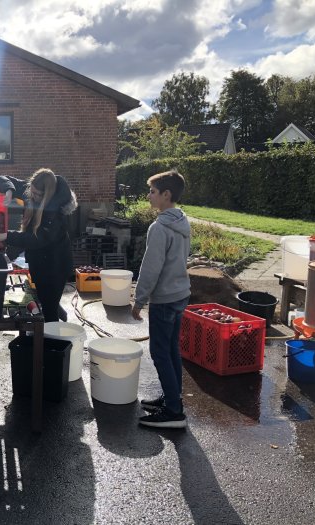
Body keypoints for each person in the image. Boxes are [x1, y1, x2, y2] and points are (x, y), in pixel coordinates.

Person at [131, 170, 191, 429]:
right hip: (181, 294)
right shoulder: (182, 220)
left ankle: (174, 412)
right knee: (171, 350)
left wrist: (139, 300)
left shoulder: (159, 227)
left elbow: (151, 268)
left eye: (153, 191)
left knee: (160, 353)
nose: (149, 195)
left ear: (166, 195)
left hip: (165, 299)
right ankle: (172, 398)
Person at [0, 168, 77, 322]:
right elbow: (2, 178)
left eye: (39, 195)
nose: (34, 196)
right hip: (40, 263)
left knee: (49, 309)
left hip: (55, 266)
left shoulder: (56, 212)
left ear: (48, 194)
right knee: (47, 300)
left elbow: (37, 239)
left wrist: (7, 236)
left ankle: (55, 343)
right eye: (33, 192)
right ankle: (61, 319)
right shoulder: (31, 191)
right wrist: (10, 191)